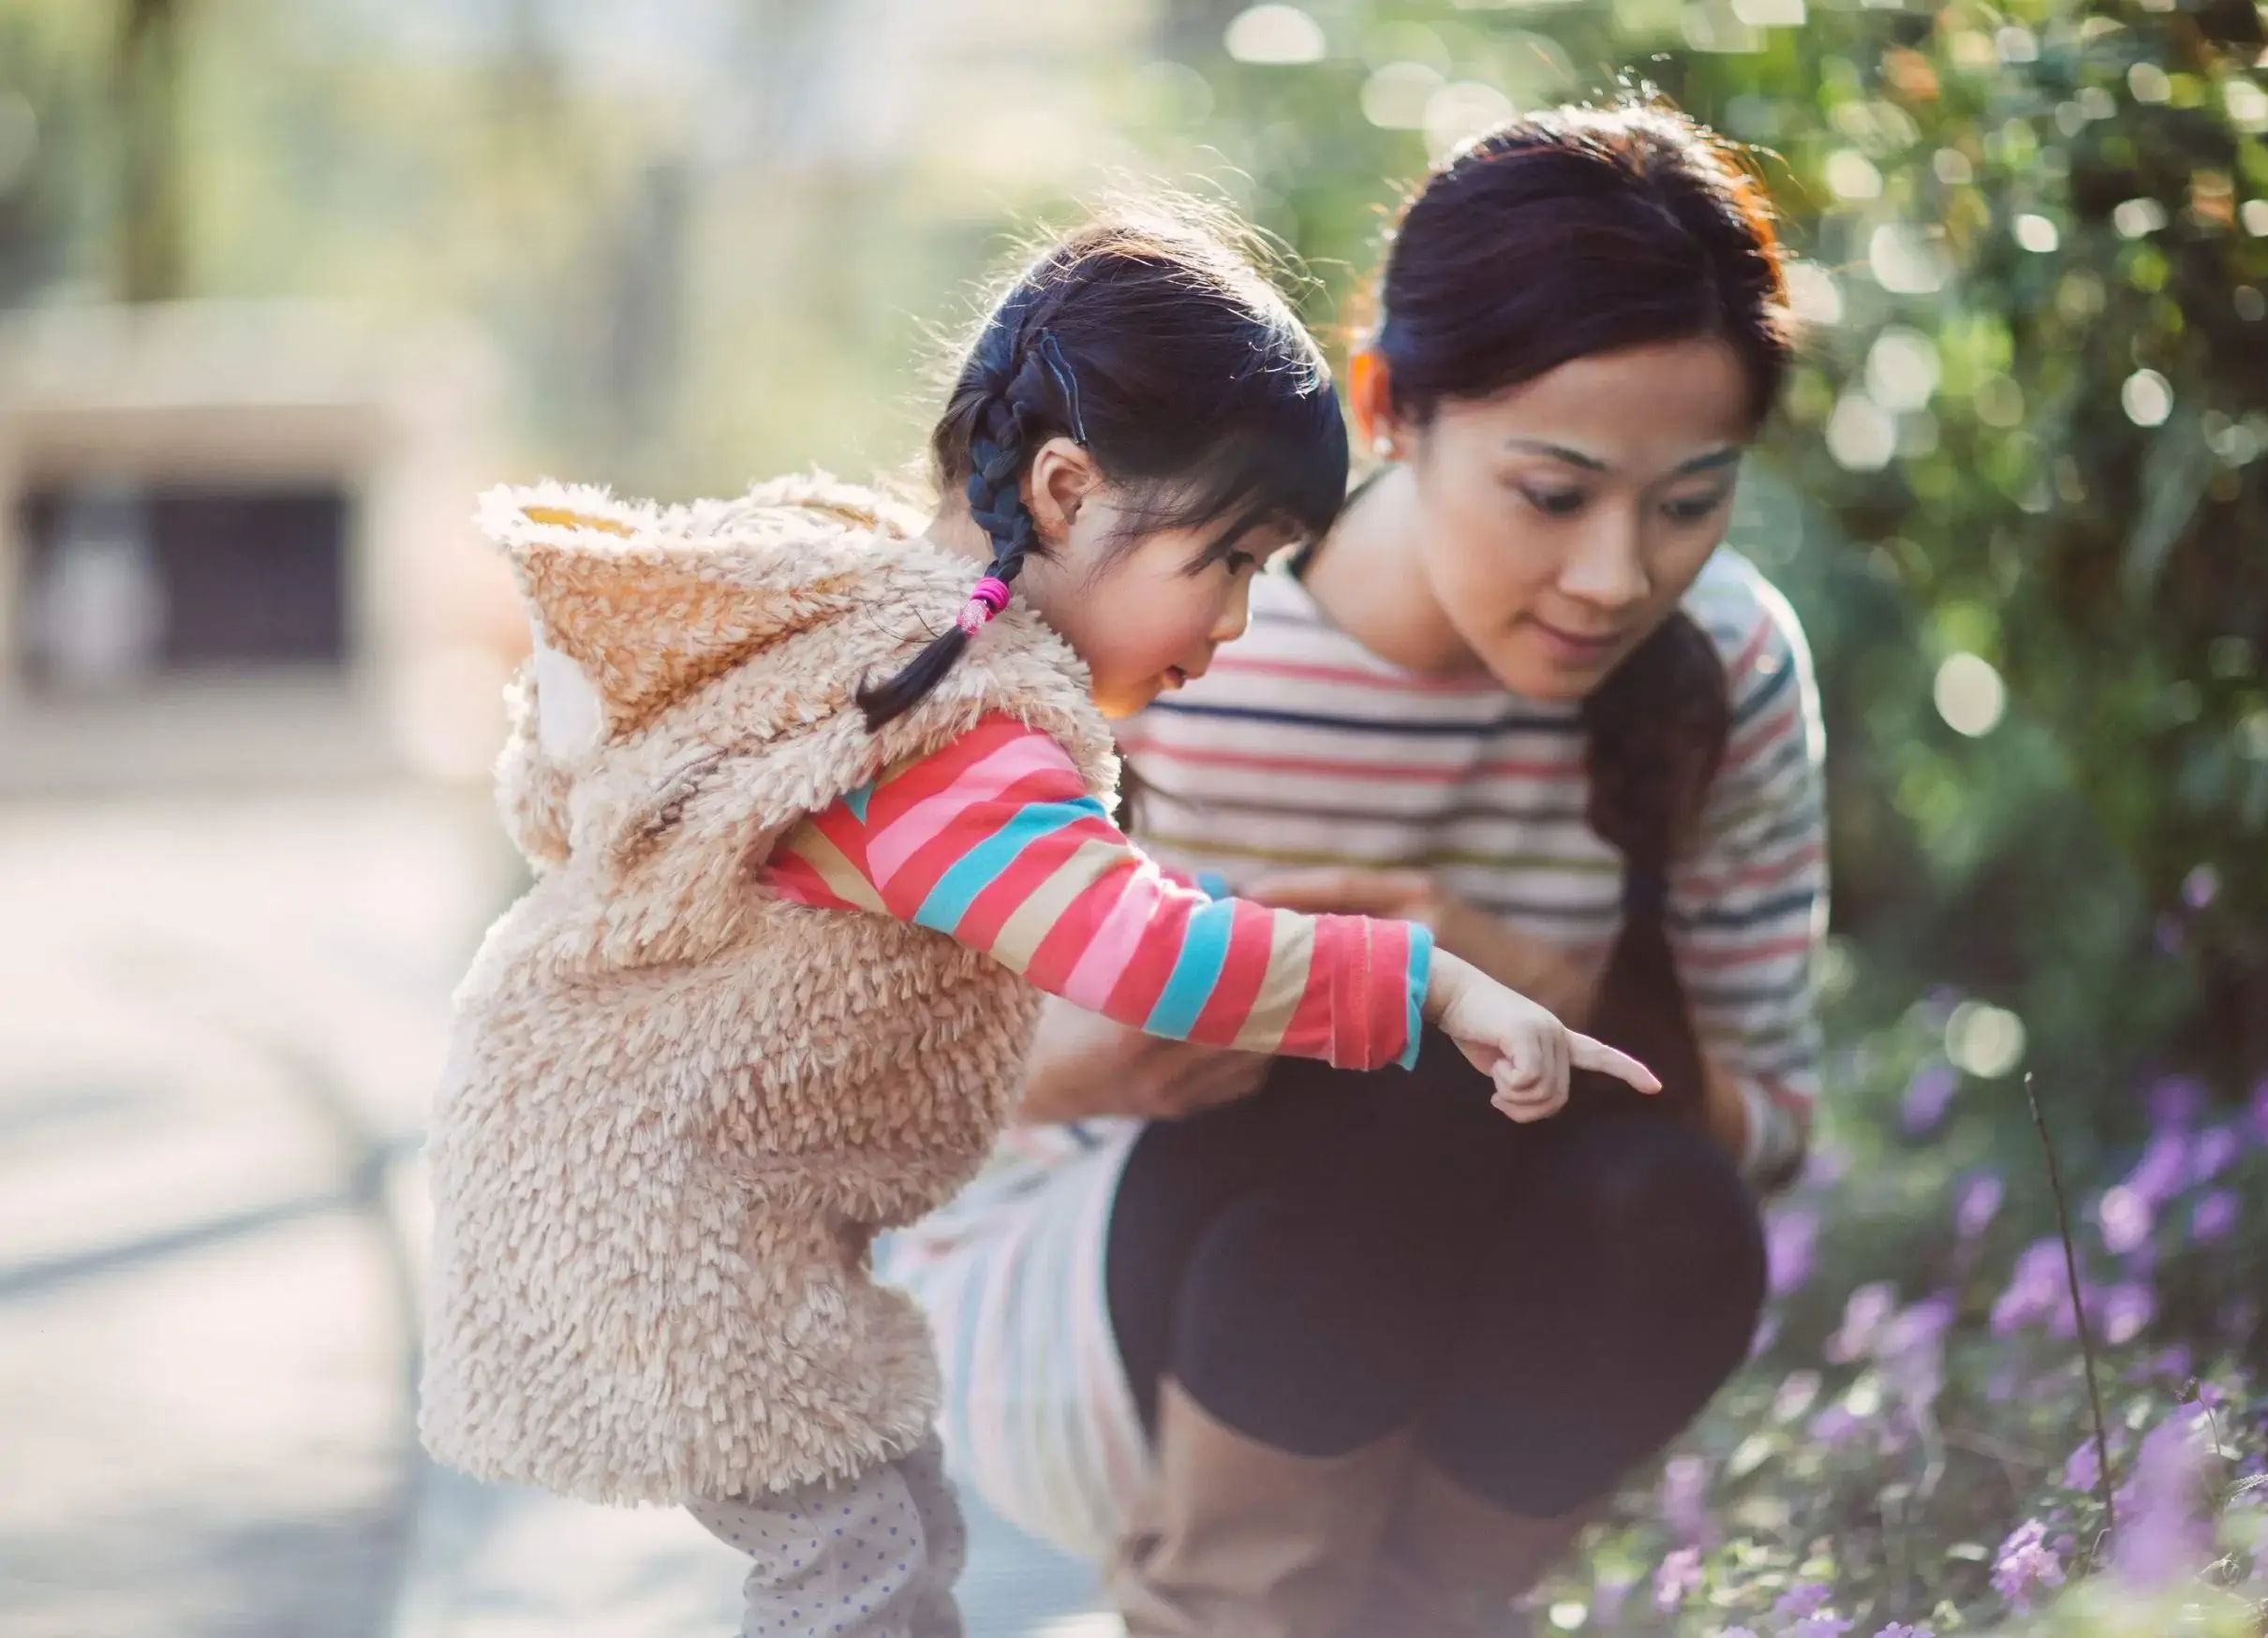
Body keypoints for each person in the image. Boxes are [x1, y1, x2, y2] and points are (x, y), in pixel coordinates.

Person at [415, 212, 1653, 1638]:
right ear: (1067, 491)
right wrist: (1434, 987)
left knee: (891, 1534)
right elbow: (1145, 953)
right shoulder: (948, 722)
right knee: (856, 1572)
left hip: (644, 1177)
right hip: (661, 1214)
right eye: (1230, 558)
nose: (1241, 621)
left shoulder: (875, 634)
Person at [887, 102, 1828, 1638]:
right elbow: (829, 1068)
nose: (1618, 576)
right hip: (1082, 1299)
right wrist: (1092, 1056)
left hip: (1485, 1320)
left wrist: (1520, 983)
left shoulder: (1722, 669)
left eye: (1689, 503)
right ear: (1392, 403)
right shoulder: (1167, 633)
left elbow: (1768, 1127)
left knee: (1669, 1208)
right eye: (1552, 492)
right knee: (1398, 1063)